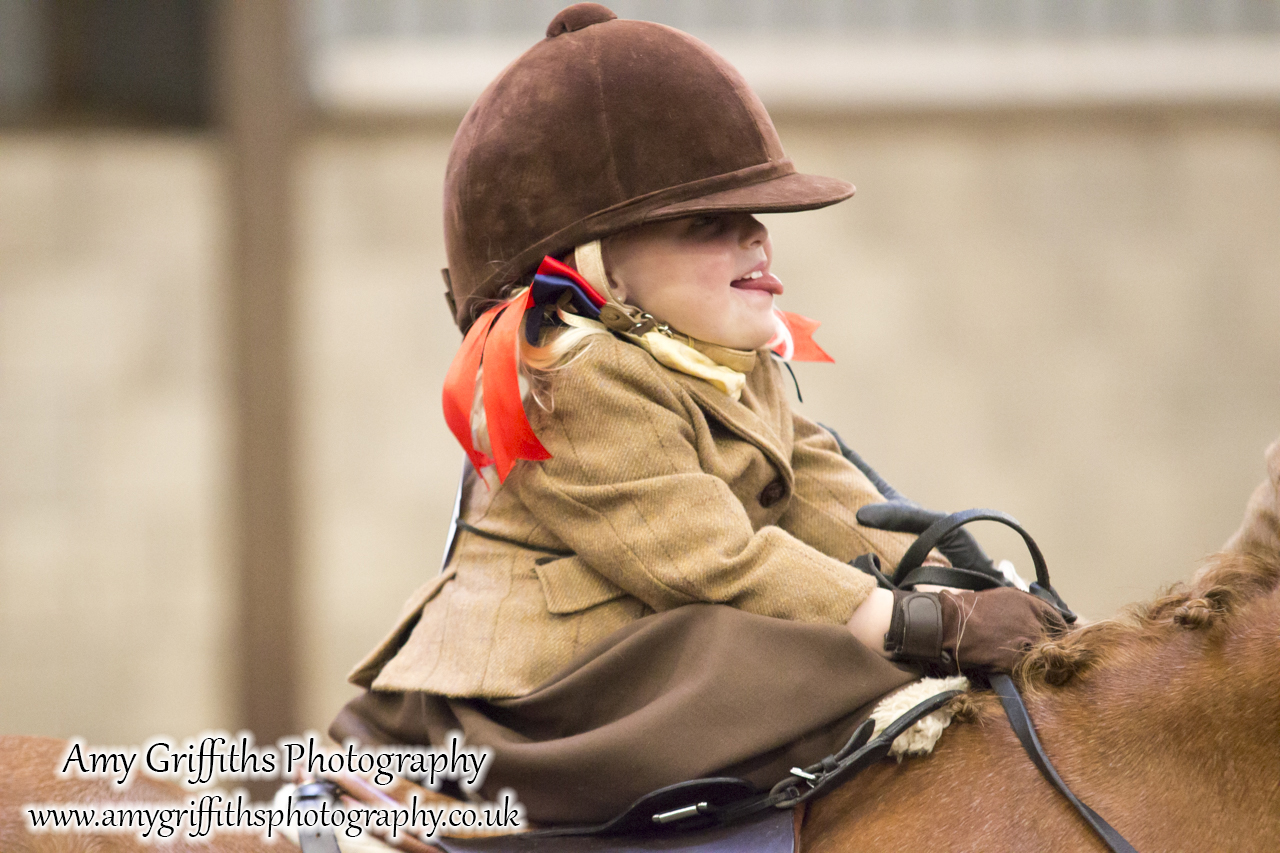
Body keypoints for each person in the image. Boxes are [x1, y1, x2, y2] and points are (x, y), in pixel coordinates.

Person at [330, 3, 1063, 826]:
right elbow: (708, 560)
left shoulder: (728, 357)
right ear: (598, 268)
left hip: (643, 648)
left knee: (820, 622)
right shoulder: (568, 373)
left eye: (758, 217)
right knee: (766, 645)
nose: (757, 239)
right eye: (709, 222)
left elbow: (825, 494)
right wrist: (924, 624)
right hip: (543, 700)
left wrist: (955, 580)